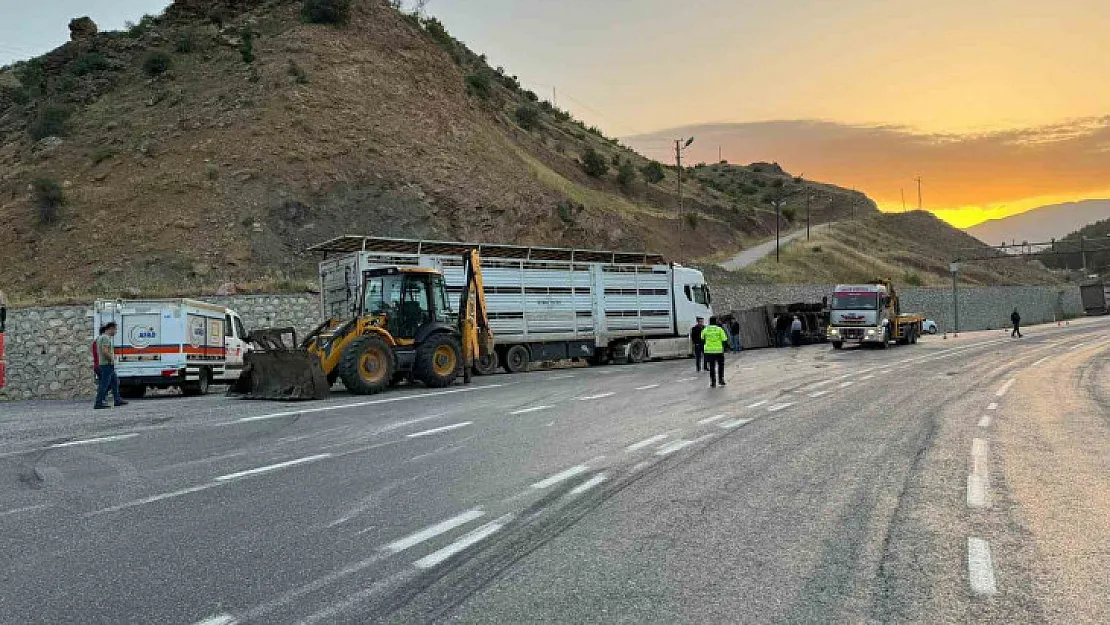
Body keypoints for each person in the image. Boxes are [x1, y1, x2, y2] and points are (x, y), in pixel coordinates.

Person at [93, 322, 127, 409]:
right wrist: (111, 359)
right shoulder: (105, 338)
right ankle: (99, 402)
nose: (115, 332)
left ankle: (117, 399)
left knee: (115, 381)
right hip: (106, 364)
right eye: (115, 329)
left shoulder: (100, 338)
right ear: (110, 329)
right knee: (104, 384)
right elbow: (105, 351)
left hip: (104, 364)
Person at [702, 316, 728, 388]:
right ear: (716, 321)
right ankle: (721, 380)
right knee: (720, 366)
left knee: (712, 367)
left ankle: (713, 382)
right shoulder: (719, 329)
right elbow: (724, 339)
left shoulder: (705, 329)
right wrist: (724, 348)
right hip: (719, 351)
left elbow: (702, 339)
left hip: (709, 351)